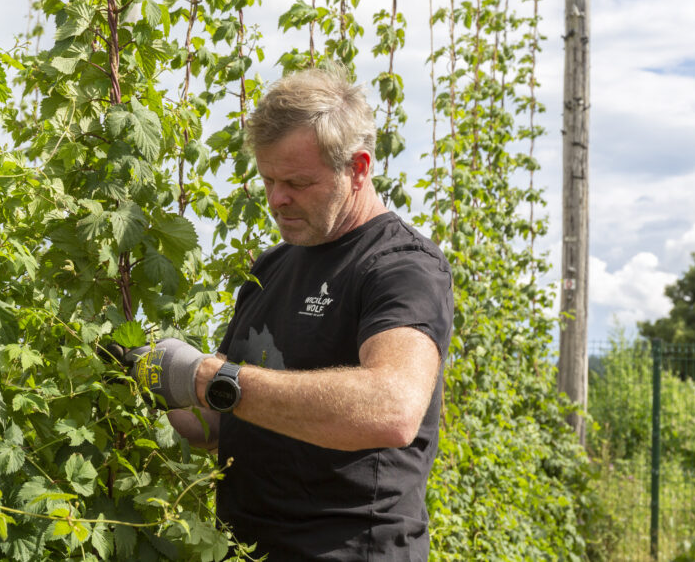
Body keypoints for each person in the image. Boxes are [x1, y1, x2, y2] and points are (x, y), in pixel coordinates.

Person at [128, 65, 454, 561]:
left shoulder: (401, 268)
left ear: (359, 168)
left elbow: (392, 409)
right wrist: (158, 376)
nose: (277, 199)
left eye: (298, 182)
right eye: (268, 179)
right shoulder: (274, 266)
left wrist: (218, 379)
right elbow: (212, 427)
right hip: (244, 549)